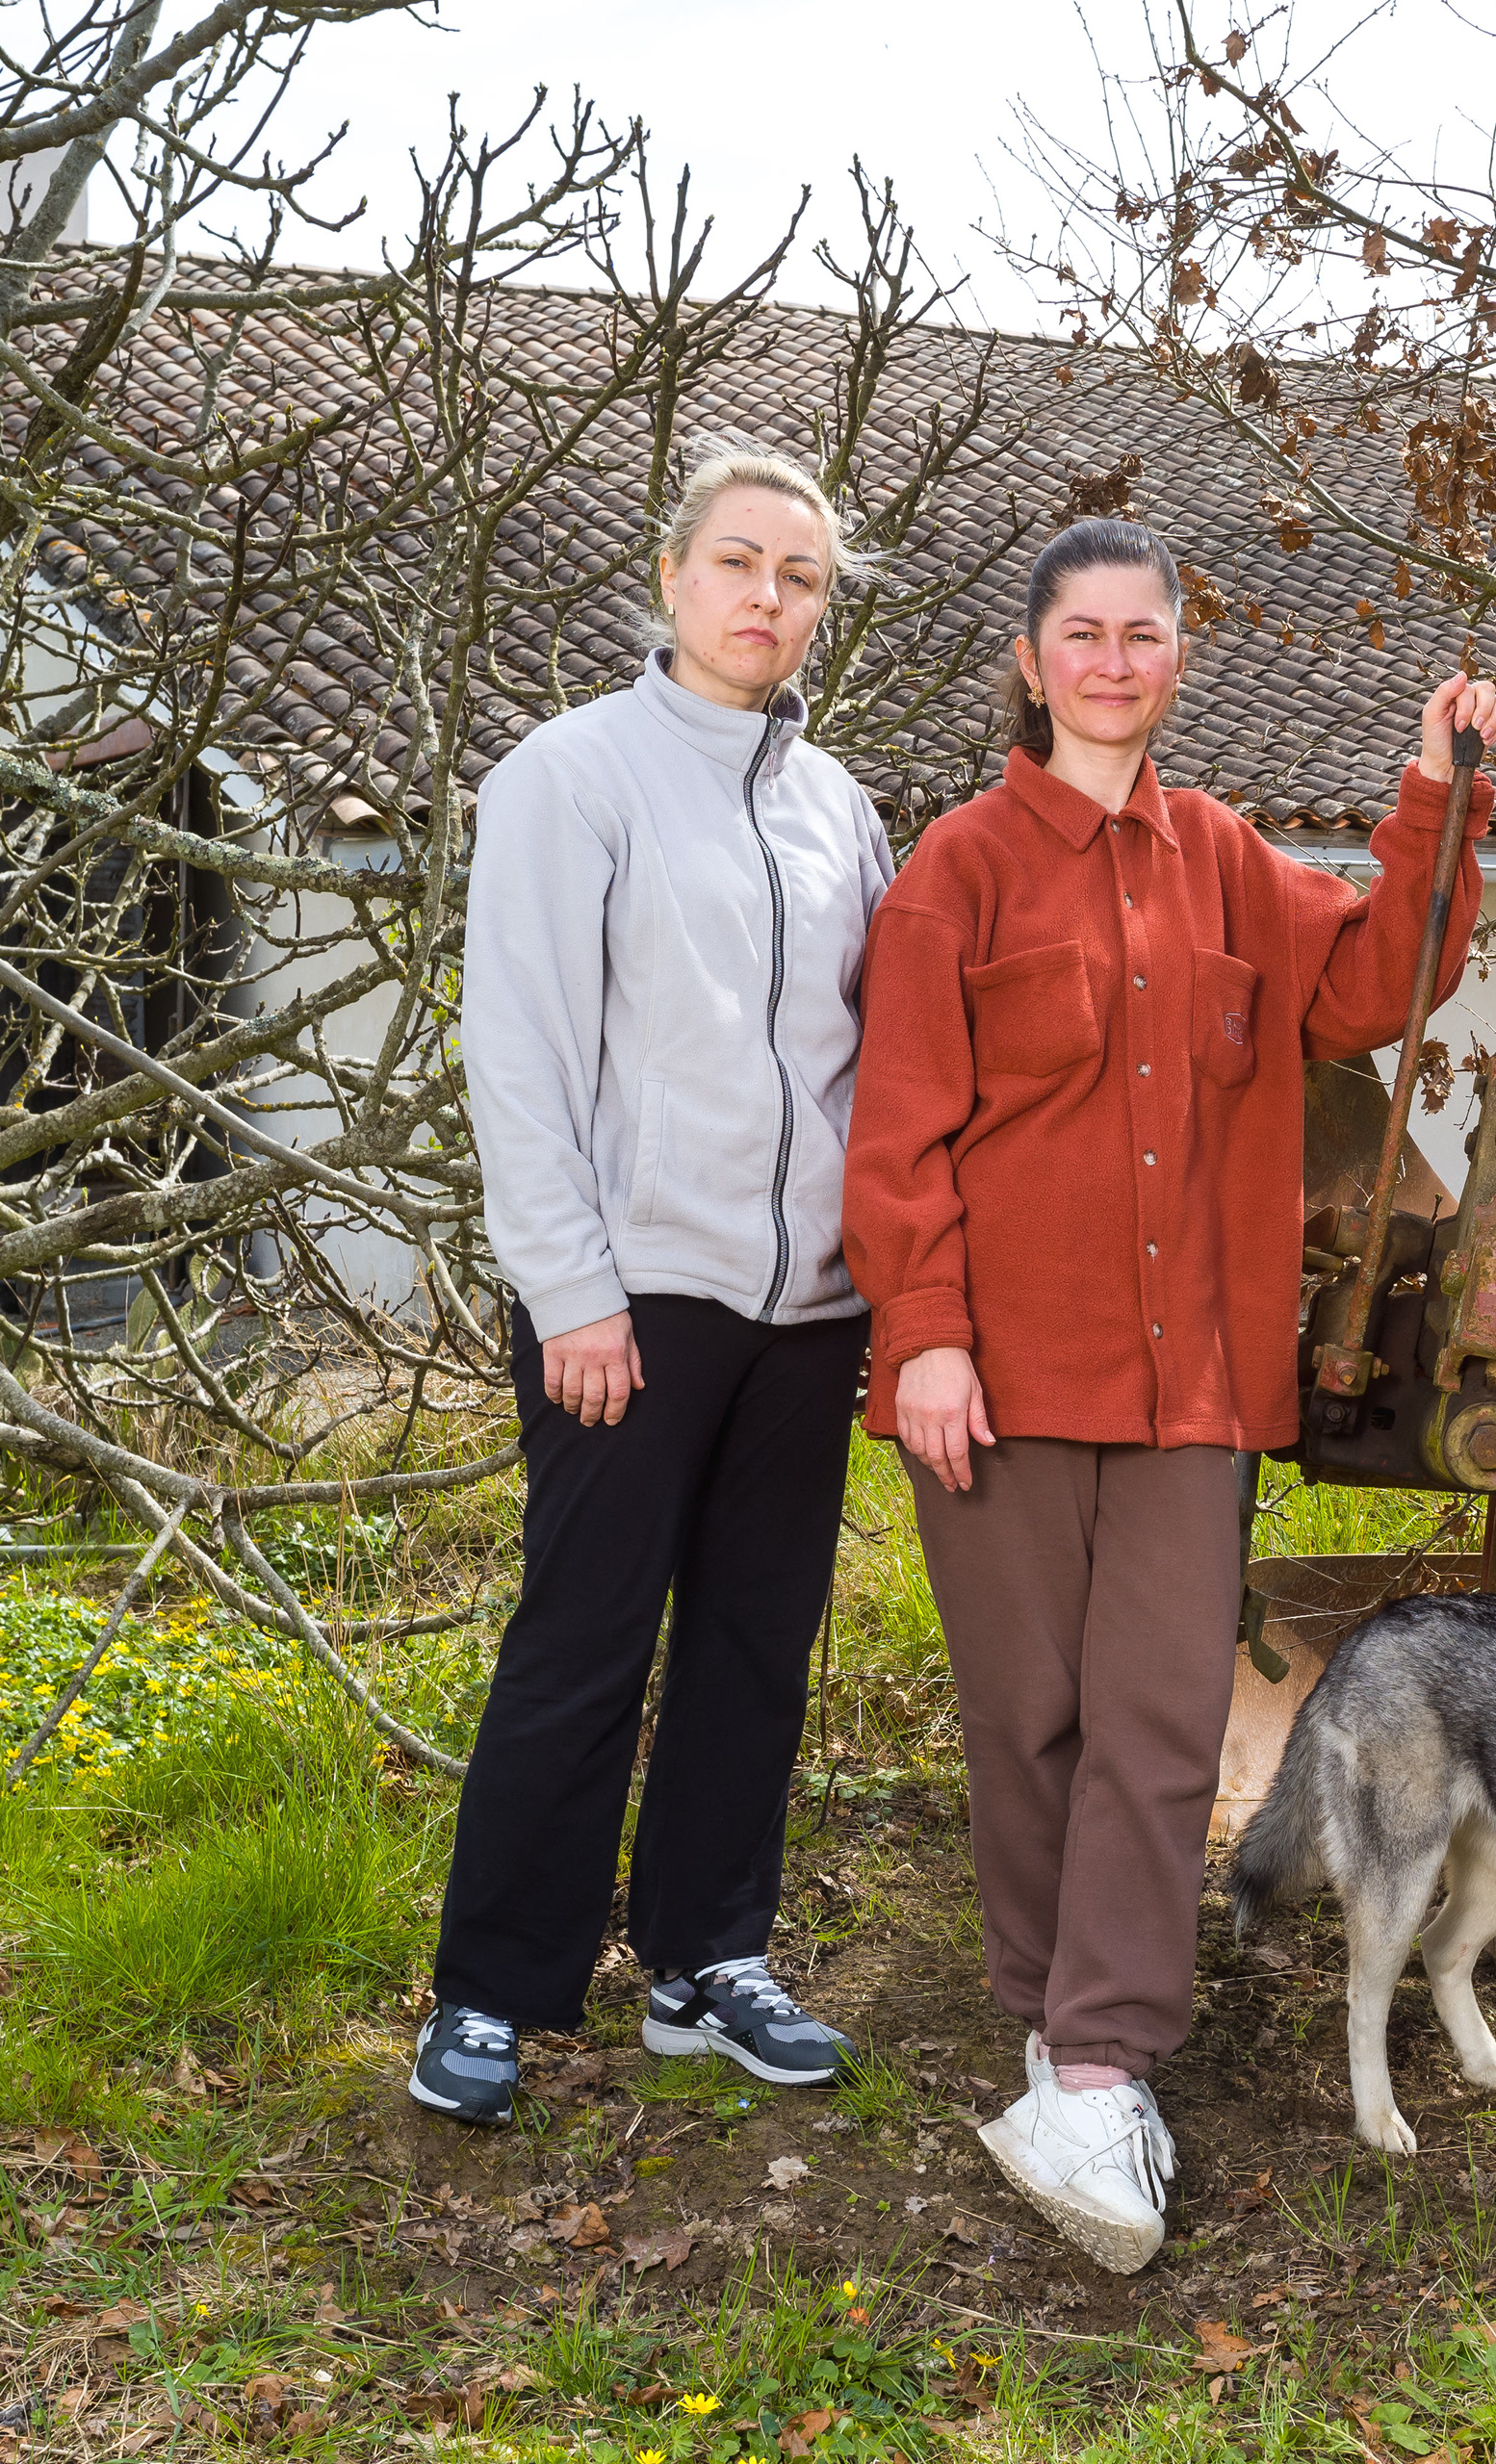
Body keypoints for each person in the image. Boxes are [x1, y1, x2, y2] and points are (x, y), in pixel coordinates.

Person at [842, 517, 1496, 2273]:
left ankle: (1102, 2056)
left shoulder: (1226, 861)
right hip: (997, 1370)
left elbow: (1381, 975)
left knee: (1152, 1721)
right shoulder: (958, 871)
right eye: (1086, 633)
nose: (1116, 661)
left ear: (1177, 659)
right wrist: (923, 1331)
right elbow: (899, 1125)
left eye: (1146, 634)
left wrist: (1434, 794)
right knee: (1028, 1719)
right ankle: (1046, 2011)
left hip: (1195, 1379)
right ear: (1034, 657)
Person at [416, 448, 891, 2127]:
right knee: (585, 1640)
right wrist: (571, 1291)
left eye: (805, 578)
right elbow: (520, 1051)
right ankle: (493, 1989)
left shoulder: (840, 812)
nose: (770, 598)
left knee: (760, 1644)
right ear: (674, 573)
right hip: (635, 1296)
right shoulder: (574, 775)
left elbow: (872, 1068)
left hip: (807, 1312)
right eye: (741, 563)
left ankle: (706, 1962)